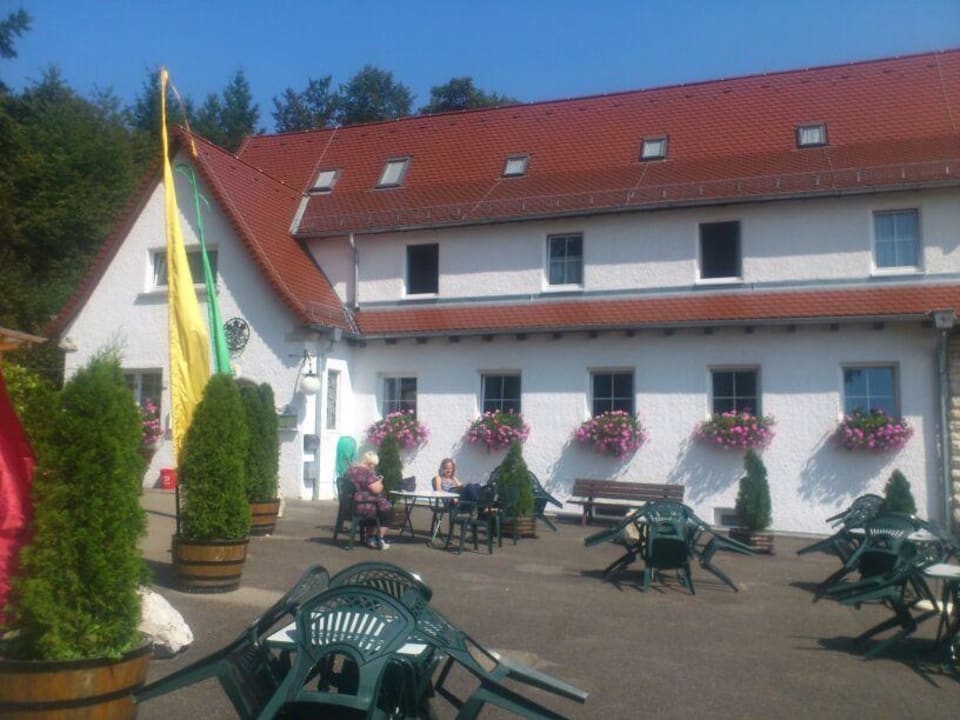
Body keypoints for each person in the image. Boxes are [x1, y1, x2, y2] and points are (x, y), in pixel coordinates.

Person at [346, 451, 394, 549]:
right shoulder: (367, 473)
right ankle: (377, 539)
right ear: (371, 464)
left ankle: (370, 537)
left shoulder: (349, 470)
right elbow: (376, 490)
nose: (374, 467)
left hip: (349, 505)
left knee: (377, 508)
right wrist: (380, 483)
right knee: (387, 511)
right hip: (363, 506)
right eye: (374, 465)